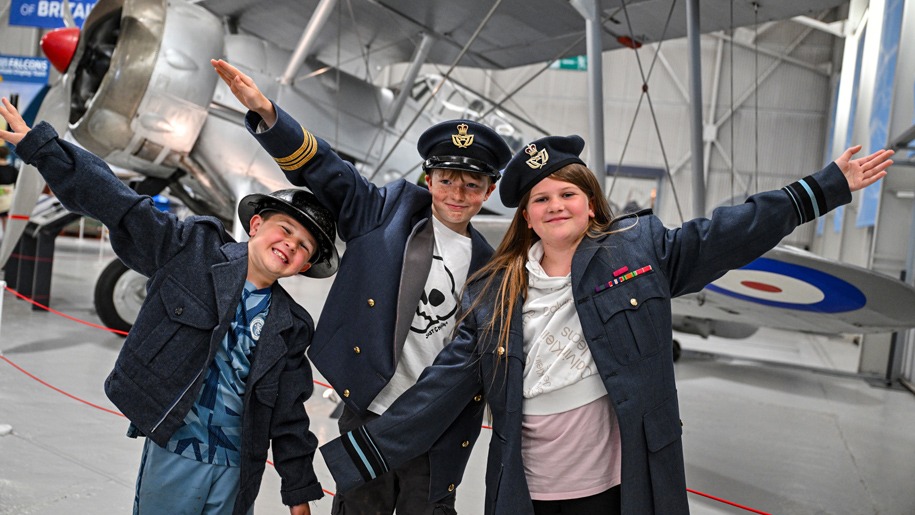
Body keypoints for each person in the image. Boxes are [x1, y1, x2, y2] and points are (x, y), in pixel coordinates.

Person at [318, 134, 894, 514]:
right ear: (526, 216)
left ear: (590, 203)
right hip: (531, 488)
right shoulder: (495, 290)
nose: (555, 205)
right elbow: (441, 389)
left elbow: (727, 232)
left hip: (623, 484)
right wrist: (360, 456)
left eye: (568, 192)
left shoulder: (641, 250)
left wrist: (821, 189)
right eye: (539, 199)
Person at [0, 97, 338, 515]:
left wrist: (299, 492)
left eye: (304, 246)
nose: (290, 244)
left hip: (237, 469)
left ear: (306, 265)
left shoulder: (292, 324)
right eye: (285, 229)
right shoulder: (192, 250)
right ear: (255, 225)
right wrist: (44, 149)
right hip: (177, 451)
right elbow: (118, 203)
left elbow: (289, 413)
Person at [212, 59, 513, 514]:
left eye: (472, 185)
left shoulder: (493, 267)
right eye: (447, 180)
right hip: (370, 410)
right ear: (428, 179)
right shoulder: (384, 213)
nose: (457, 193)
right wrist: (268, 115)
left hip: (438, 423)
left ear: (488, 192)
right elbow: (327, 168)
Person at [0, 145, 19, 228]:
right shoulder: (13, 169)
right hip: (8, 199)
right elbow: (17, 185)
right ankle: (6, 239)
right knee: (6, 222)